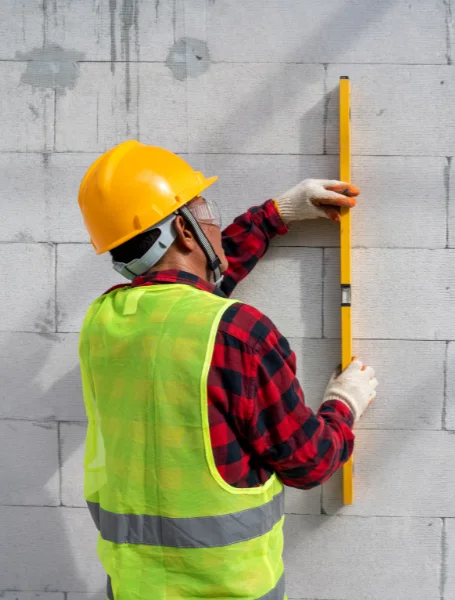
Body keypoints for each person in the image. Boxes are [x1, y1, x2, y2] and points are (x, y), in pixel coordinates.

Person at [77, 140, 378, 600]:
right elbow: (310, 461)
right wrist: (345, 403)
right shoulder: (239, 333)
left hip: (134, 587)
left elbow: (183, 290)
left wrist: (276, 214)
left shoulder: (102, 321)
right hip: (229, 589)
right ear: (183, 228)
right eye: (206, 211)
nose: (214, 222)